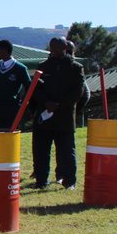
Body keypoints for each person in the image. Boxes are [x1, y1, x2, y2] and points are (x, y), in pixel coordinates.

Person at [32, 37, 85, 189]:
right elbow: (36, 88)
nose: (53, 49)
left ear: (65, 48)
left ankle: (69, 182)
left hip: (64, 117)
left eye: (57, 46)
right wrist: (46, 103)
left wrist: (59, 105)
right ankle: (41, 181)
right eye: (52, 46)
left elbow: (78, 91)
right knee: (41, 151)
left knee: (66, 152)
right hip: (44, 116)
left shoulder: (76, 67)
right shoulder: (43, 66)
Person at [0, 40, 31, 128]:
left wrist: (23, 103)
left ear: (4, 51)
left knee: (8, 133)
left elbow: (29, 87)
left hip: (11, 108)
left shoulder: (20, 68)